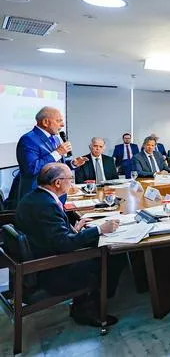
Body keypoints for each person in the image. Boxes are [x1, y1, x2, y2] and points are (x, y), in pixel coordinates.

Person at [16, 163, 123, 327]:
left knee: (99, 245)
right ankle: (88, 308)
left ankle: (87, 303)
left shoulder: (34, 197)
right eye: (70, 179)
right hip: (53, 271)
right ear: (57, 182)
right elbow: (65, 244)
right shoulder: (47, 205)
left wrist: (75, 228)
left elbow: (50, 233)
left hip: (41, 256)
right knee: (113, 254)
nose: (72, 184)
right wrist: (100, 229)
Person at [16, 106, 88, 200]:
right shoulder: (28, 139)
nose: (62, 125)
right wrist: (58, 152)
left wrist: (72, 164)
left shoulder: (56, 138)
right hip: (38, 198)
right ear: (45, 122)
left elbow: (55, 167)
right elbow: (31, 169)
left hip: (57, 196)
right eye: (58, 121)